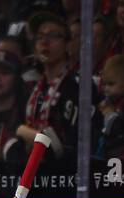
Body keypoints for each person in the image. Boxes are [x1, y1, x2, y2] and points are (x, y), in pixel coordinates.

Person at [15, 10, 83, 161]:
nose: (44, 42)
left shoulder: (79, 86)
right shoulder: (32, 88)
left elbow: (58, 147)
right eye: (40, 37)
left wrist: (21, 130)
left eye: (53, 36)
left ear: (68, 45)